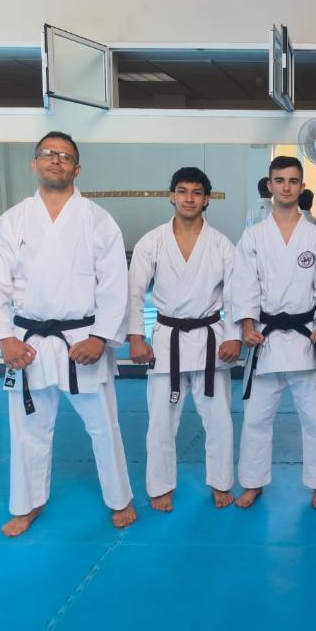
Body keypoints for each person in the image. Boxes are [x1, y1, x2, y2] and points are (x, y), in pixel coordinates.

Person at [0, 131, 136, 537]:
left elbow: (115, 283)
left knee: (104, 426)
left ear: (77, 169)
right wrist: (4, 339)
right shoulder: (12, 221)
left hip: (83, 340)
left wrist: (100, 338)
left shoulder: (98, 220)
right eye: (48, 154)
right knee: (29, 430)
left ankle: (120, 498)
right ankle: (27, 505)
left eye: (65, 156)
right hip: (28, 343)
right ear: (34, 163)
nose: (55, 160)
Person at [127, 167, 242, 511]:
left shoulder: (221, 244)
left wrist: (235, 336)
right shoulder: (152, 241)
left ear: (207, 199)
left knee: (219, 419)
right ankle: (160, 485)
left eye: (196, 192)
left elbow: (237, 295)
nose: (189, 198)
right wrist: (136, 337)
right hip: (168, 341)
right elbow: (134, 291)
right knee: (161, 422)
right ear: (171, 196)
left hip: (211, 341)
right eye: (182, 191)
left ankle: (221, 482)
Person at [232, 156, 316, 509]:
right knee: (256, 418)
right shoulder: (253, 236)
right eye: (280, 180)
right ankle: (252, 482)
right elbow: (244, 285)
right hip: (267, 338)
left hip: (306, 339)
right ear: (270, 185)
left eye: (293, 181)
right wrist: (247, 326)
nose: (286, 187)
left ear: (302, 187)